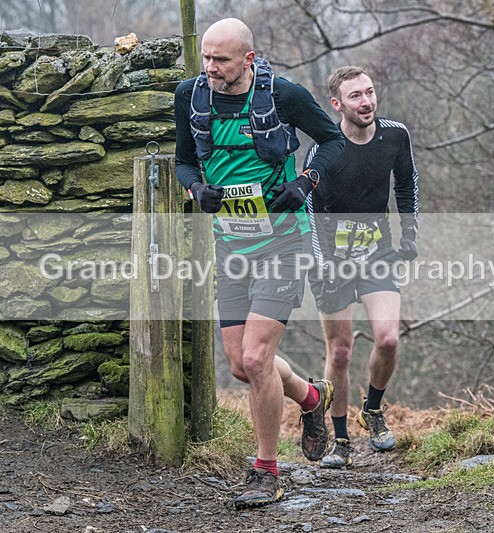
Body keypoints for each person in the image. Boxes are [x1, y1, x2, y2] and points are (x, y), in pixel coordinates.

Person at [174, 18, 345, 508]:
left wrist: (305, 182)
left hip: (283, 244)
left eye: (221, 59)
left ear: (248, 59)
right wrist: (196, 188)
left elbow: (332, 141)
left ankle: (266, 471)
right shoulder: (190, 96)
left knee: (255, 358)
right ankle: (312, 398)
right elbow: (184, 161)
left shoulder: (284, 95)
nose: (210, 67)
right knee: (241, 366)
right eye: (206, 58)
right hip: (231, 245)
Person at [305, 66, 419, 468]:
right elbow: (310, 209)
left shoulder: (395, 135)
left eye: (369, 92)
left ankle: (372, 410)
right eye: (356, 96)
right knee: (340, 352)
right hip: (331, 259)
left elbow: (407, 184)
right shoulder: (324, 149)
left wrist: (409, 235)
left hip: (377, 253)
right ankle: (340, 439)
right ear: (337, 104)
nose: (366, 101)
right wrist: (324, 263)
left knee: (388, 340)